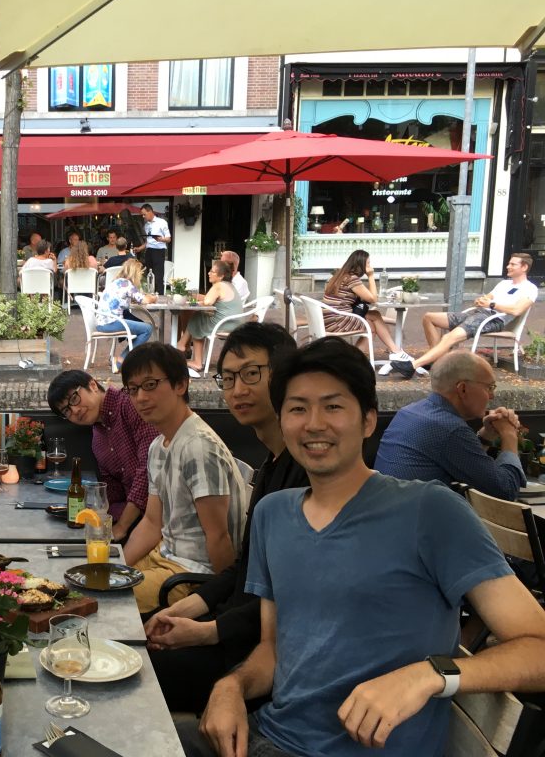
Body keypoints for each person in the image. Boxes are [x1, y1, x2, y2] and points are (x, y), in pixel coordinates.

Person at [184, 337, 545, 757]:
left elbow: (538, 647)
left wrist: (430, 675)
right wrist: (231, 686)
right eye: (298, 409)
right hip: (269, 736)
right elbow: (273, 649)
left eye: (333, 406)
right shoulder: (272, 514)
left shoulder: (429, 510)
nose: (314, 424)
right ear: (282, 421)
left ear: (369, 420)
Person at [147, 323, 308, 716]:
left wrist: (208, 631)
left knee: (135, 671)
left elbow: (293, 595)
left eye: (251, 374)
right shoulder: (272, 466)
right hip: (231, 625)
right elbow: (245, 568)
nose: (237, 390)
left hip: (258, 656)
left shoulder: (307, 474)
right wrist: (186, 609)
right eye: (229, 378)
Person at [120, 342, 248, 614]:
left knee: (109, 603)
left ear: (181, 384)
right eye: (132, 389)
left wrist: (221, 606)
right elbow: (151, 522)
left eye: (150, 385)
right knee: (93, 583)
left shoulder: (198, 447)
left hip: (193, 575)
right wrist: (115, 568)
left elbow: (219, 537)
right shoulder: (159, 446)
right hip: (164, 556)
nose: (140, 397)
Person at [375, 350, 525, 500]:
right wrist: (509, 434)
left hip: (387, 509)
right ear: (463, 389)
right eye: (490, 387)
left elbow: (461, 461)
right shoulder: (450, 429)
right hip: (415, 514)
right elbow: (506, 490)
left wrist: (486, 436)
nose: (492, 396)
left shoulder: (409, 412)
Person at [47, 370, 160, 542]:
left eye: (74, 399)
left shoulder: (130, 404)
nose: (75, 410)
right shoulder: (97, 438)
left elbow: (149, 469)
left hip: (164, 516)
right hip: (135, 520)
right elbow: (113, 489)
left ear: (92, 385)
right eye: (66, 411)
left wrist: (122, 526)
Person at [392, 252, 538, 379]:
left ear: (524, 267)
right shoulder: (504, 284)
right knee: (429, 317)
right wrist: (480, 301)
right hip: (477, 313)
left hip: (492, 320)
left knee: (448, 337)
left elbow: (516, 310)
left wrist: (492, 305)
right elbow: (486, 298)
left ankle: (413, 366)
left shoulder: (530, 288)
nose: (508, 266)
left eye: (513, 264)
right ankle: (437, 360)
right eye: (509, 263)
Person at [323, 249, 410, 368]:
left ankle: (353, 360)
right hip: (338, 321)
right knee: (374, 317)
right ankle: (395, 351)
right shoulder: (351, 279)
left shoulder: (339, 276)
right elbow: (373, 298)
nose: (370, 266)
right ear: (360, 264)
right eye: (368, 263)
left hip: (329, 319)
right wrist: (371, 276)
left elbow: (362, 298)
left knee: (373, 320)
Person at [178, 260, 244, 372]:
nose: (209, 273)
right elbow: (211, 299)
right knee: (199, 317)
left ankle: (193, 358)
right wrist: (199, 299)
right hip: (235, 324)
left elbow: (208, 302)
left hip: (224, 325)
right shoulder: (229, 285)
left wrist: (196, 301)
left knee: (198, 318)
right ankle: (183, 345)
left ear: (221, 276)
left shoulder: (218, 286)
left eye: (212, 272)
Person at [96, 258, 157, 373]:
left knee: (142, 327)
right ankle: (121, 360)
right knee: (148, 328)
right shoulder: (127, 284)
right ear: (135, 273)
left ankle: (130, 359)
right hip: (112, 322)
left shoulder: (117, 282)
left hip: (102, 322)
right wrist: (154, 298)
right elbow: (145, 300)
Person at [135, 203, 171, 295]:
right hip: (149, 251)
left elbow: (168, 239)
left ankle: (160, 297)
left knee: (158, 275)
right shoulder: (146, 225)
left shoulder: (162, 222)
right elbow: (148, 241)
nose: (143, 216)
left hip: (159, 251)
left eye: (144, 214)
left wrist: (160, 239)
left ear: (150, 212)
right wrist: (140, 248)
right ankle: (151, 294)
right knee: (149, 275)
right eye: (142, 215)